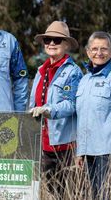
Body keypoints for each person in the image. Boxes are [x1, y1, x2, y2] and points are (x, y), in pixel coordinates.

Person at [75, 31, 111, 200]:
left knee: (104, 196)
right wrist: (80, 151)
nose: (98, 53)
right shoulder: (84, 81)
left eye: (104, 49)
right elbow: (82, 117)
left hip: (106, 153)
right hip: (87, 153)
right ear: (87, 52)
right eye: (94, 49)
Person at [29, 21, 83, 199]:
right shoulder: (40, 71)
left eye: (57, 40)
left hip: (64, 145)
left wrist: (48, 110)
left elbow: (72, 104)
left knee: (67, 193)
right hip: (42, 144)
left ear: (66, 45)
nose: (51, 43)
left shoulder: (73, 72)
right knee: (50, 193)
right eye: (48, 39)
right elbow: (32, 103)